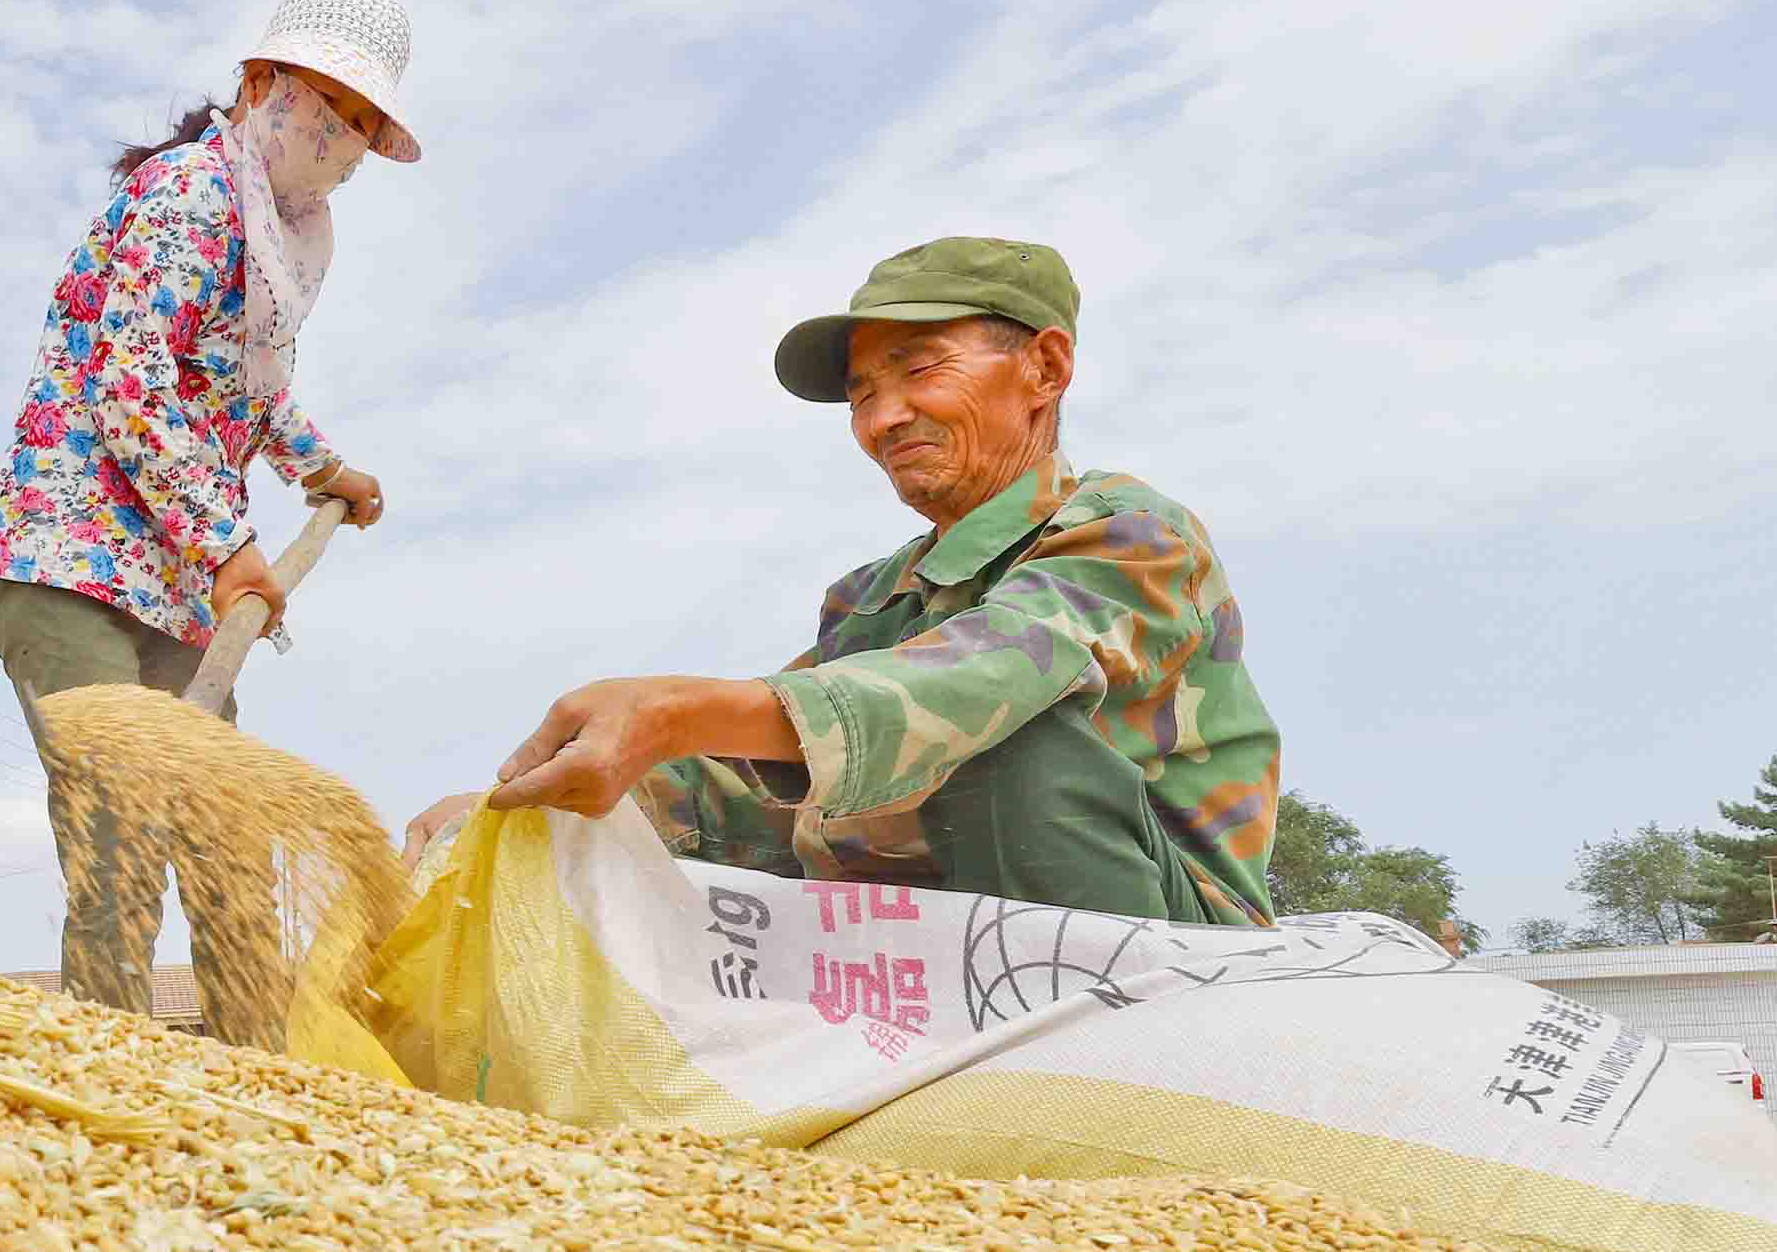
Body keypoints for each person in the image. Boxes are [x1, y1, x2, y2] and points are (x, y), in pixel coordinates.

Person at [404, 238, 1281, 927]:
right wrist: (513, 814)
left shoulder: (1133, 536)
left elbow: (979, 680)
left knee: (995, 741)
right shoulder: (870, 603)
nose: (883, 417)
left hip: (1166, 954)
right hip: (954, 959)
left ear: (1044, 370)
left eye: (921, 368)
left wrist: (672, 708)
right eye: (863, 392)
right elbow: (742, 785)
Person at [0, 0, 411, 1013]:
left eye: (361, 124)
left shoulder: (282, 241)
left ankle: (257, 1074)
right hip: (67, 558)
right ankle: (111, 1069)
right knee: (119, 829)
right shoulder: (187, 192)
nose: (341, 140)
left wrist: (323, 470)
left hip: (171, 584)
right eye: (328, 106)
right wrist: (229, 547)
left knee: (226, 832)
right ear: (261, 82)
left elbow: (242, 390)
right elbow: (132, 376)